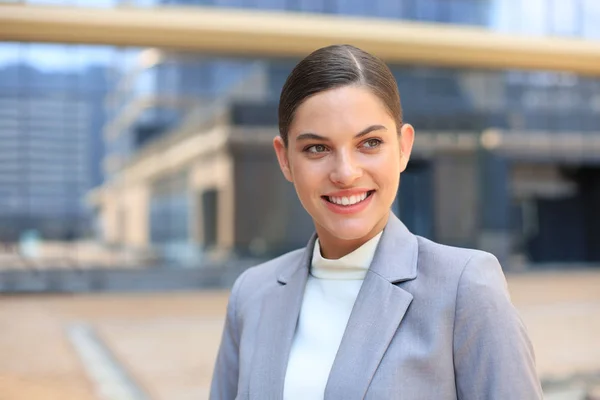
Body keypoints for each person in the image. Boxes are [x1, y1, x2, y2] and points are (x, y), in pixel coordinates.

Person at [210, 44, 543, 400]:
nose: (345, 173)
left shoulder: (465, 288)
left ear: (403, 147)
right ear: (285, 159)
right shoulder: (251, 295)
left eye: (369, 143)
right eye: (317, 148)